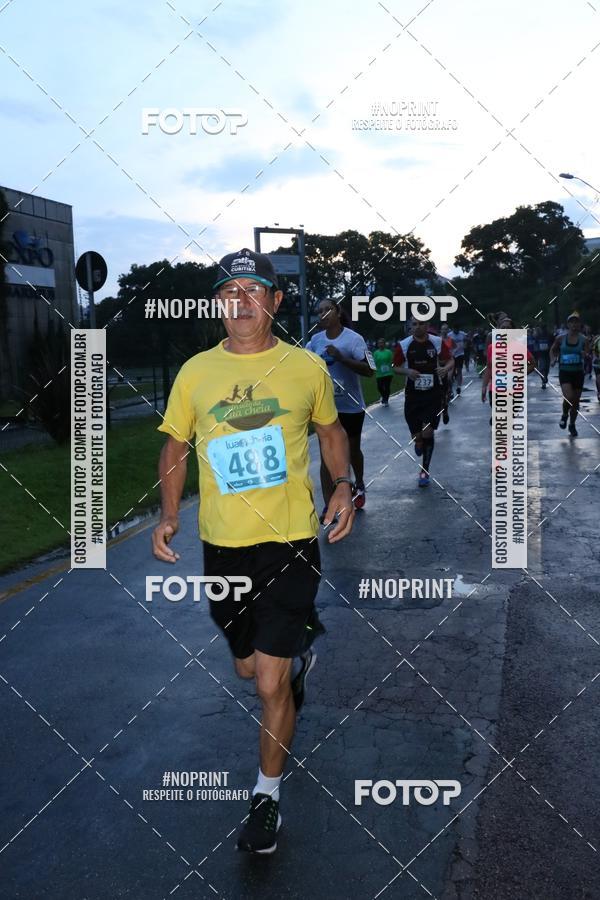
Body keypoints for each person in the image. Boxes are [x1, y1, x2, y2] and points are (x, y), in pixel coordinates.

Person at [152, 248, 354, 855]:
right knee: (249, 669)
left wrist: (342, 485)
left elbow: (331, 431)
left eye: (252, 289)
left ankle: (265, 798)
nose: (239, 302)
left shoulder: (304, 368)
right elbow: (175, 446)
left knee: (268, 680)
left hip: (291, 540)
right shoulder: (194, 372)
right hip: (224, 546)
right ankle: (293, 655)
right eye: (228, 291)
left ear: (275, 300)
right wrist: (167, 515)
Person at [306, 299, 375, 511]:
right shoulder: (314, 341)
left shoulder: (354, 340)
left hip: (351, 406)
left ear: (337, 312)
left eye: (328, 309)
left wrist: (342, 358)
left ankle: (360, 483)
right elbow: (304, 368)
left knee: (352, 451)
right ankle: (329, 506)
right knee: (327, 457)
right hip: (326, 408)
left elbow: (370, 370)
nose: (323, 314)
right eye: (319, 311)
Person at [393, 315, 454, 487]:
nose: (418, 327)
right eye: (414, 324)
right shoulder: (404, 345)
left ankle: (424, 470)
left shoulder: (436, 342)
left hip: (433, 394)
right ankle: (418, 441)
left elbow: (450, 360)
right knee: (417, 435)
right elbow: (394, 367)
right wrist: (408, 372)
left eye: (421, 324)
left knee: (428, 432)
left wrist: (444, 368)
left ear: (427, 325)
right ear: (410, 326)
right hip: (412, 395)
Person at [481, 315, 535, 424]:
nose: (505, 330)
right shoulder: (492, 348)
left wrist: (520, 374)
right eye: (503, 328)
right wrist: (484, 387)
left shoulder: (519, 347)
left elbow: (532, 364)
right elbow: (489, 368)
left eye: (508, 328)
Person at [550, 312, 590, 437]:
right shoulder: (561, 338)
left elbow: (588, 354)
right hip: (565, 372)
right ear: (568, 324)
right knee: (569, 397)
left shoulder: (584, 340)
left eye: (576, 322)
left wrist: (586, 355)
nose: (574, 324)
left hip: (578, 373)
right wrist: (553, 358)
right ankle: (564, 414)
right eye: (572, 322)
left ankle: (572, 424)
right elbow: (553, 350)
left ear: (579, 324)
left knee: (576, 402)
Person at [373, 337, 394, 406]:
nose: (380, 344)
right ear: (378, 344)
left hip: (388, 373)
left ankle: (386, 400)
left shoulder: (389, 352)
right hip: (379, 373)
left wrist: (391, 366)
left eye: (382, 343)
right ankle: (384, 396)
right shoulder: (375, 353)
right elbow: (374, 362)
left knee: (387, 386)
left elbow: (392, 361)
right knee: (379, 387)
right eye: (379, 343)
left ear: (384, 344)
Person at [447, 324, 467, 394]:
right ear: (453, 329)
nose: (456, 330)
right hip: (452, 355)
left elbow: (466, 341)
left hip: (460, 354)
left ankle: (458, 386)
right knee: (451, 373)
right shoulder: (449, 335)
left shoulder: (462, 334)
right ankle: (451, 388)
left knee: (459, 371)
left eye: (457, 329)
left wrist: (465, 345)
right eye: (455, 329)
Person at [534, 324, 551, 389]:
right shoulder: (538, 336)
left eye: (543, 329)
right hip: (541, 354)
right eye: (542, 329)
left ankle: (545, 377)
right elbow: (535, 343)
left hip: (547, 353)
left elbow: (553, 342)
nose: (542, 330)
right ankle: (543, 381)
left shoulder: (549, 335)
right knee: (542, 368)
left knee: (546, 368)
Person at [593, 331, 600, 402]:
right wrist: (596, 357)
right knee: (599, 378)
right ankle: (599, 391)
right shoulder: (597, 340)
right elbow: (594, 351)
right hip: (598, 364)